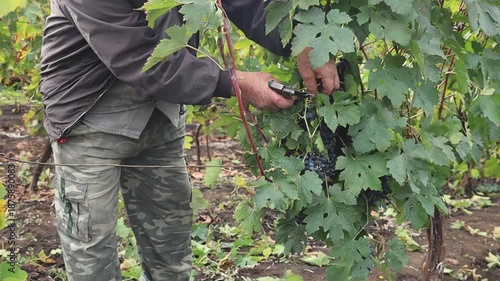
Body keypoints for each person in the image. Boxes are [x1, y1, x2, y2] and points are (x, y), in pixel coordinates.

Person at [40, 0, 340, 280]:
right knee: (91, 256)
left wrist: (301, 43)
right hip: (90, 119)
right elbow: (138, 57)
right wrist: (234, 82)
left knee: (170, 245)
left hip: (161, 111)